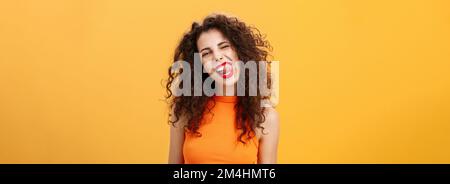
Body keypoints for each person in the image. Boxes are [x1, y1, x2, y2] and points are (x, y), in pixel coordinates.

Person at [166, 13, 279, 164]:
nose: (217, 57)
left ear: (239, 51)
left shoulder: (265, 117)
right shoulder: (184, 111)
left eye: (224, 46)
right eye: (206, 53)